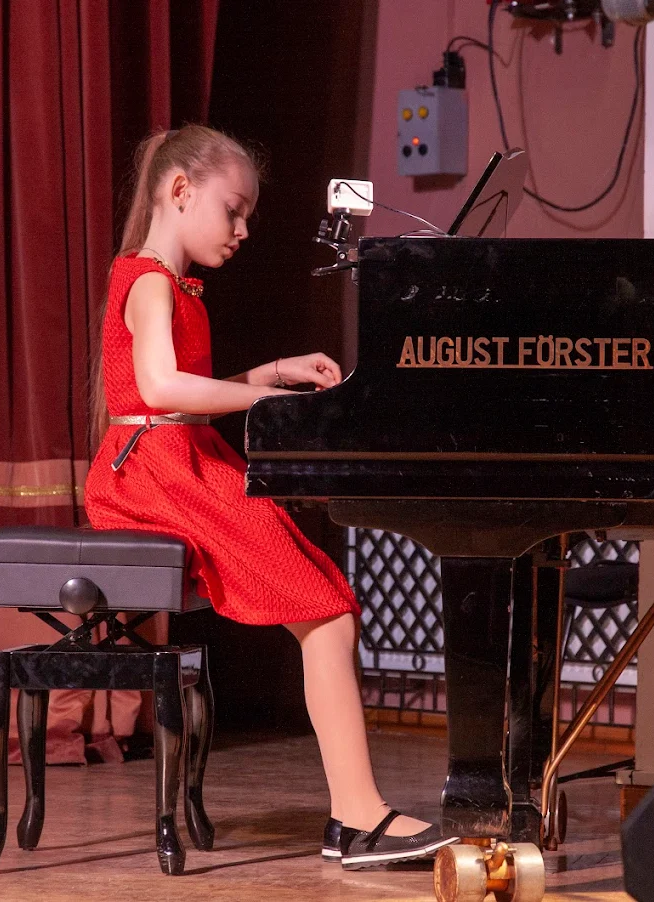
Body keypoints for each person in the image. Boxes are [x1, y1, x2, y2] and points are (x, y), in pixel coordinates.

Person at [83, 124, 457, 869]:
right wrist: (267, 402)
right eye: (234, 209)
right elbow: (160, 388)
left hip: (175, 461)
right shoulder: (150, 280)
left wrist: (272, 372)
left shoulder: (172, 284)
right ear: (180, 191)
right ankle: (357, 817)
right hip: (154, 475)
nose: (244, 229)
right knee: (325, 610)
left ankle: (357, 813)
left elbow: (178, 396)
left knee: (327, 605)